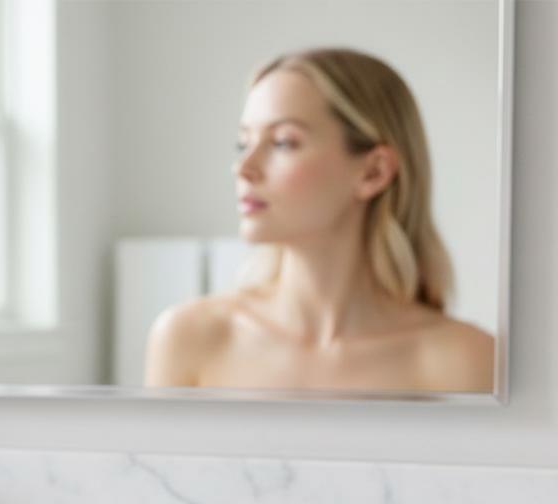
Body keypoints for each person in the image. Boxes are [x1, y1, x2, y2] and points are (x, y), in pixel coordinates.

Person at [144, 48, 494, 393]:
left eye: (283, 142)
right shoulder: (189, 338)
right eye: (243, 143)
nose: (244, 168)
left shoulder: (467, 361)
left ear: (373, 172)